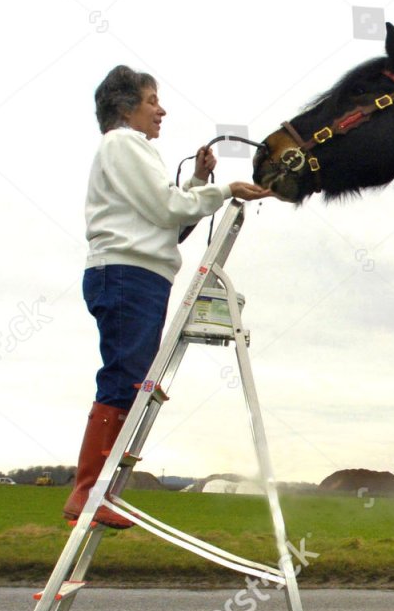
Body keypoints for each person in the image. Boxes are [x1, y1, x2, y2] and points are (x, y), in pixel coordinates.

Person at [64, 65, 271, 527]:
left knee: (130, 378)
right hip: (127, 275)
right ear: (126, 108)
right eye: (152, 100)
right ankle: (89, 492)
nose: (161, 110)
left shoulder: (130, 150)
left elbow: (169, 222)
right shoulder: (123, 143)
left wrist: (197, 181)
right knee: (124, 377)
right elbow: (167, 207)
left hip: (138, 275)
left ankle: (96, 492)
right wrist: (224, 189)